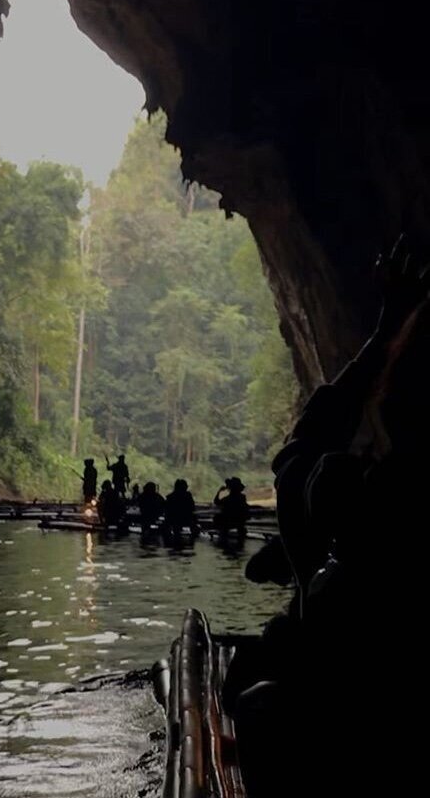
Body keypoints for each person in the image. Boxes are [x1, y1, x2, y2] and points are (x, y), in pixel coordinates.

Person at [230, 236, 429, 798]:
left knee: (257, 701)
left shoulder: (353, 503)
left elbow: (302, 448)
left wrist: (384, 331)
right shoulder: (370, 495)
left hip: (349, 740)